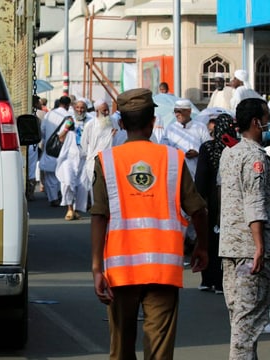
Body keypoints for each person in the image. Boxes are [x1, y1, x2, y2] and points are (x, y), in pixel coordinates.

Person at [91, 88, 209, 360]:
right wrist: (202, 247)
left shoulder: (106, 161)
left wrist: (97, 267)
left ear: (121, 123)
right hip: (163, 269)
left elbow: (99, 215)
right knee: (159, 350)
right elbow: (198, 210)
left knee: (120, 349)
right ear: (153, 120)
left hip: (120, 271)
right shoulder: (172, 159)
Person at [219, 97, 270, 359]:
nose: (267, 123)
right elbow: (255, 201)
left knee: (240, 321)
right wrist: (259, 244)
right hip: (250, 250)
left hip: (229, 246)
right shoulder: (254, 157)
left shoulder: (229, 153)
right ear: (255, 122)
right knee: (246, 326)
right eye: (266, 118)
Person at [195, 113, 238, 295]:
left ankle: (208, 279)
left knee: (209, 240)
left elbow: (201, 176)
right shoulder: (236, 148)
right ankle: (222, 282)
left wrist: (200, 200)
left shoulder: (207, 148)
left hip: (211, 202)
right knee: (227, 241)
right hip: (231, 202)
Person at [55, 99, 90, 220]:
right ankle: (69, 208)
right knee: (68, 182)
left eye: (83, 108)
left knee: (81, 185)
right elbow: (60, 138)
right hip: (69, 157)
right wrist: (66, 128)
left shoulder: (90, 122)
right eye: (78, 108)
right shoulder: (69, 120)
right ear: (74, 108)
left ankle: (75, 209)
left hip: (84, 157)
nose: (80, 110)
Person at [162, 98, 211, 179]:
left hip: (197, 173)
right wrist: (176, 153)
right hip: (176, 173)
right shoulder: (170, 129)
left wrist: (198, 153)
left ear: (188, 111)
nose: (177, 114)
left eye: (179, 111)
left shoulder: (200, 127)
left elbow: (208, 148)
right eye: (175, 111)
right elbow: (163, 149)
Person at [80, 99, 115, 206]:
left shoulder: (113, 122)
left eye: (107, 110)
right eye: (104, 110)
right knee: (95, 189)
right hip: (94, 162)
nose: (107, 113)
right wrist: (90, 156)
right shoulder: (90, 125)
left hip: (110, 162)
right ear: (97, 112)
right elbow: (84, 144)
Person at [40, 96, 71, 207]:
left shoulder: (49, 114)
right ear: (68, 105)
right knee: (62, 174)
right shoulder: (69, 116)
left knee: (50, 175)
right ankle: (60, 196)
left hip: (49, 147)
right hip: (63, 148)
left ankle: (53, 197)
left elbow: (42, 130)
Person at [26, 95, 45, 201]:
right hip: (33, 144)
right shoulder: (40, 115)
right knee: (32, 167)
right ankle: (30, 191)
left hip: (27, 144)